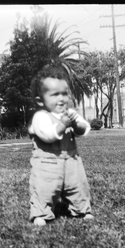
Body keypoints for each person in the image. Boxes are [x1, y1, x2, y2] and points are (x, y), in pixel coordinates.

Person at [28, 64, 93, 226]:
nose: (61, 98)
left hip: (71, 161)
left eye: (64, 94)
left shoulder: (69, 114)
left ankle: (81, 209)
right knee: (44, 189)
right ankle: (40, 213)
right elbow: (47, 135)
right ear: (40, 100)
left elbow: (84, 128)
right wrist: (62, 125)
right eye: (55, 94)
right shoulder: (40, 117)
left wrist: (77, 125)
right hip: (46, 164)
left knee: (77, 186)